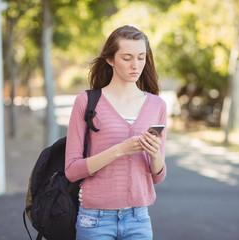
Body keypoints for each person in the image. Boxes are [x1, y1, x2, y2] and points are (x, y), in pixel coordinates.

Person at [65, 25, 167, 240]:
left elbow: (158, 176)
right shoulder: (86, 102)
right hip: (95, 220)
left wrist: (155, 154)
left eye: (141, 57)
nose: (135, 65)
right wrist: (119, 150)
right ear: (110, 59)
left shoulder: (157, 105)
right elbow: (72, 170)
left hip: (138, 219)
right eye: (127, 58)